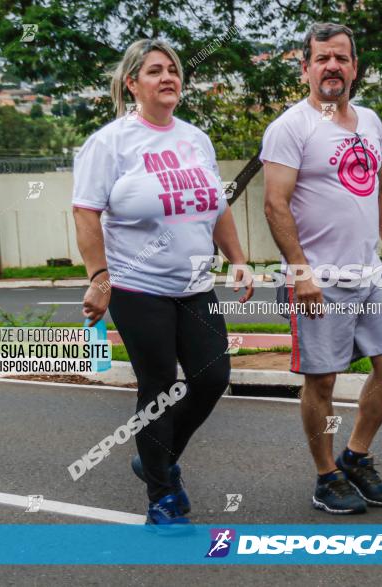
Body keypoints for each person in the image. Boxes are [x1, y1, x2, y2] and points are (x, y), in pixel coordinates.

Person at [72, 39, 253, 527]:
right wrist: (99, 278)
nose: (168, 77)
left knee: (213, 378)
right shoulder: (110, 143)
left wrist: (238, 259)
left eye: (172, 69)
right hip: (138, 285)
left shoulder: (196, 138)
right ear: (133, 83)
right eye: (155, 71)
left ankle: (155, 456)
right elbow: (86, 212)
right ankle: (162, 495)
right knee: (159, 386)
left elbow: (216, 206)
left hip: (195, 284)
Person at [261, 23, 382, 515]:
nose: (333, 66)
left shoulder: (370, 122)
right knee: (322, 381)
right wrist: (301, 271)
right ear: (306, 67)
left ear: (354, 67)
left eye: (342, 58)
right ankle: (326, 476)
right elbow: (274, 204)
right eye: (322, 58)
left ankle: (356, 455)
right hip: (319, 279)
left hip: (369, 272)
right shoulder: (290, 127)